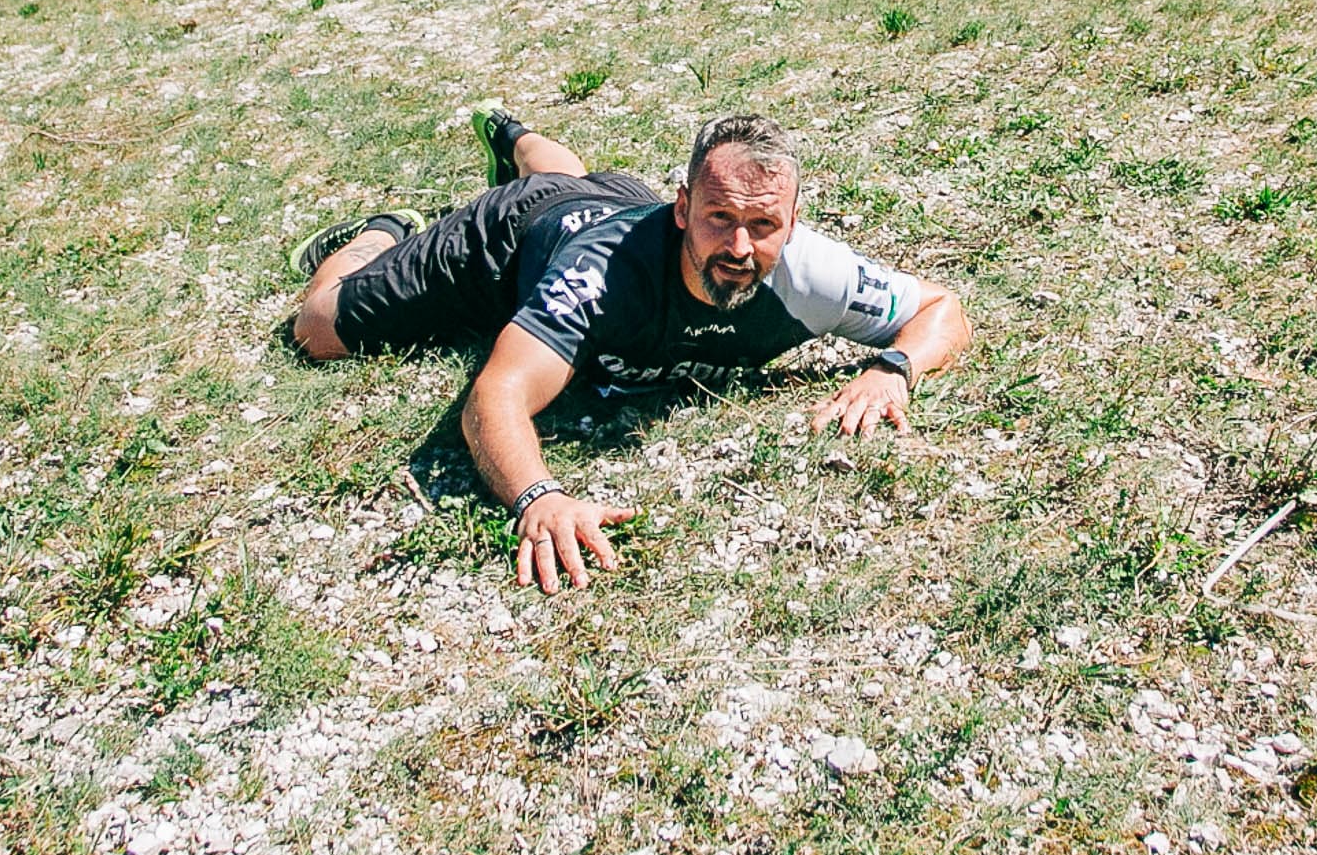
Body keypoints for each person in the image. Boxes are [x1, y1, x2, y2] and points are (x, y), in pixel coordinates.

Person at [286, 110, 968, 594]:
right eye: (720, 217)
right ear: (683, 208)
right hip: (512, 238)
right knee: (318, 329)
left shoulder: (812, 273)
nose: (739, 247)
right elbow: (495, 396)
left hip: (611, 199)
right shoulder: (599, 278)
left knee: (571, 182)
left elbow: (940, 307)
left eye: (763, 224)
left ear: (792, 223)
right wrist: (538, 497)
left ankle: (516, 137)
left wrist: (892, 369)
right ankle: (384, 230)